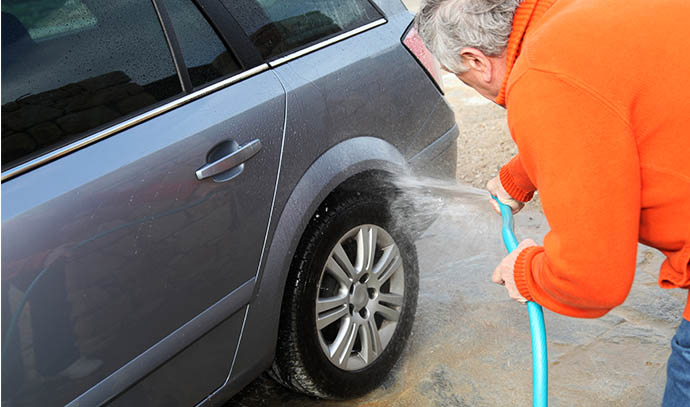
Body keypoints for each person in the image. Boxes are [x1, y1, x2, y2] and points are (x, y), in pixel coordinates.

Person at [415, 0, 690, 405]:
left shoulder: (543, 75)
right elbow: (603, 106)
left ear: (475, 59)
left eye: (463, 77)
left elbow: (592, 278)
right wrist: (519, 176)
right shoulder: (576, 16)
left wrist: (528, 273)